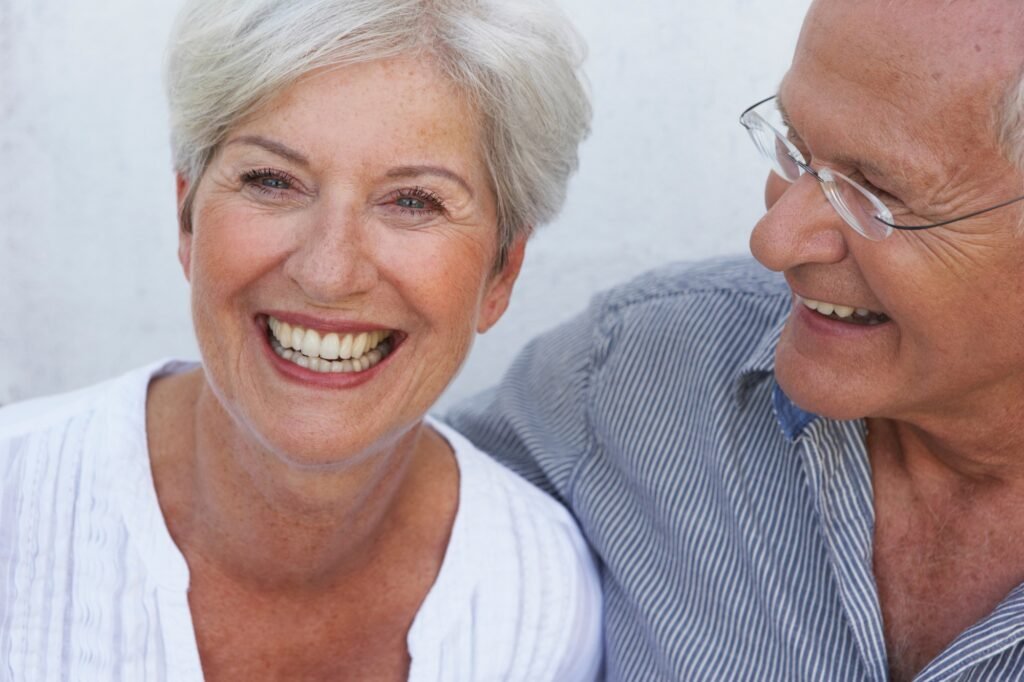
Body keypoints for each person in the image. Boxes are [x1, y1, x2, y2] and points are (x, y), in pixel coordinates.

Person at [0, 0, 602, 679]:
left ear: (502, 272)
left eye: (413, 201)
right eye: (273, 181)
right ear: (187, 219)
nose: (327, 272)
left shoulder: (545, 602)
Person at [449, 0, 1024, 680]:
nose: (773, 241)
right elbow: (364, 533)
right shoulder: (634, 371)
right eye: (795, 150)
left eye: (875, 192)